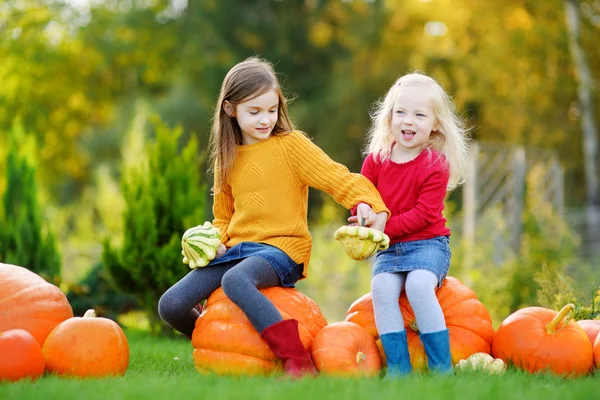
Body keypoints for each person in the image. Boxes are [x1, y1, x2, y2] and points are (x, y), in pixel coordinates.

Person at [158, 57, 390, 378]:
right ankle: (217, 341)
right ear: (230, 110)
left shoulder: (291, 146)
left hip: (282, 249)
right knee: (171, 304)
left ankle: (297, 361)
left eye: (272, 110)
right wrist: (217, 243)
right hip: (238, 249)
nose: (266, 119)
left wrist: (365, 202)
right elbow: (223, 218)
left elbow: (336, 177)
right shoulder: (227, 158)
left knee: (235, 280)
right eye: (254, 112)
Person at [348, 72, 470, 376]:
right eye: (400, 112)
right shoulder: (376, 160)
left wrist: (381, 226)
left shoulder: (434, 164)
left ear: (435, 123)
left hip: (429, 244)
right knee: (381, 287)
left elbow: (424, 215)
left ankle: (442, 369)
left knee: (418, 285)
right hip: (389, 249)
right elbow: (361, 193)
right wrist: (362, 208)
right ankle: (399, 370)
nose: (408, 121)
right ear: (389, 116)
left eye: (419, 115)